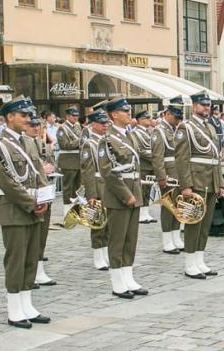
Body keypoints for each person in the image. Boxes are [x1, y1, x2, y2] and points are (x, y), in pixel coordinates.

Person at [0, 97, 50, 328]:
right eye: (22, 116)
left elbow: (39, 173)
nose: (27, 119)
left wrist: (43, 198)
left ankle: (27, 304)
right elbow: (6, 182)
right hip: (15, 209)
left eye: (28, 116)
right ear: (9, 118)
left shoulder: (29, 142)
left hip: (35, 208)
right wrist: (30, 202)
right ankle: (14, 309)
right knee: (16, 260)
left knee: (30, 259)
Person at [96, 96, 147, 299]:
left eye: (128, 111)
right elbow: (108, 171)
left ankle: (128, 276)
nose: (128, 114)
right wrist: (126, 196)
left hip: (134, 189)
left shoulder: (130, 136)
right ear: (114, 115)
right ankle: (117, 281)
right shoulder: (107, 139)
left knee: (130, 239)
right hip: (119, 195)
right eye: (124, 111)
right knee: (117, 240)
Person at [175, 91, 222, 280]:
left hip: (210, 181)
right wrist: (186, 185)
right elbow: (182, 158)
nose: (206, 108)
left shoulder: (209, 127)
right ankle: (189, 263)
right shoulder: (185, 128)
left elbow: (215, 158)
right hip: (196, 181)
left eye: (208, 105)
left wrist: (218, 183)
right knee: (194, 223)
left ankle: (199, 259)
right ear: (194, 106)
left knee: (205, 223)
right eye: (203, 105)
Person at [22, 111, 55, 287]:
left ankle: (39, 268)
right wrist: (42, 168)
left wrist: (49, 167)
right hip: (31, 191)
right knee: (32, 235)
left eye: (38, 125)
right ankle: (32, 271)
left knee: (42, 233)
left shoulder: (41, 143)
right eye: (32, 125)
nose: (35, 128)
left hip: (45, 189)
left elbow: (50, 162)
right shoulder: (22, 144)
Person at [150, 97, 184, 254]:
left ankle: (176, 236)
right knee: (168, 207)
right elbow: (157, 157)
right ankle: (167, 240)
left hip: (178, 171)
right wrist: (161, 177)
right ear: (168, 113)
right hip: (169, 172)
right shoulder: (159, 130)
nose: (178, 120)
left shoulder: (174, 129)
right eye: (176, 117)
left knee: (178, 205)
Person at [80, 108, 110, 269]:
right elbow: (87, 171)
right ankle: (98, 256)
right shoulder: (89, 144)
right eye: (101, 123)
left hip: (110, 185)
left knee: (110, 223)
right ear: (93, 125)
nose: (105, 126)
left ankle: (106, 253)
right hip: (98, 185)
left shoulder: (108, 141)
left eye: (106, 122)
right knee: (98, 223)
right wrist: (91, 193)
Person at [56, 108, 83, 212]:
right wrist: (80, 141)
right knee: (68, 188)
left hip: (78, 161)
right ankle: (67, 211)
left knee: (78, 188)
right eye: (73, 115)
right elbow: (65, 145)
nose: (75, 117)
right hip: (68, 161)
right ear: (67, 116)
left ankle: (77, 210)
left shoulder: (77, 127)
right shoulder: (62, 129)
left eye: (76, 115)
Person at [132, 111, 156, 224]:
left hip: (151, 164)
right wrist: (154, 156)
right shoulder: (135, 133)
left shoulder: (150, 132)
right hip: (144, 164)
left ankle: (146, 212)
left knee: (149, 190)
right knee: (142, 190)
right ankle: (141, 213)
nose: (150, 120)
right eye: (147, 118)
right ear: (140, 120)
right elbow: (139, 151)